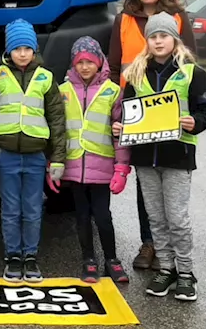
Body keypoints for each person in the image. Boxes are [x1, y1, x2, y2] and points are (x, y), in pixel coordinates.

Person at [107, 0, 196, 272]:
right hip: (135, 109)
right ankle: (150, 243)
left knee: (170, 185)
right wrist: (117, 103)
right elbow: (115, 66)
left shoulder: (178, 17)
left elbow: (189, 63)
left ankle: (173, 254)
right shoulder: (123, 19)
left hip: (170, 114)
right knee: (146, 181)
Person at [118, 12, 206, 302]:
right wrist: (121, 125)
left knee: (177, 218)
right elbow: (127, 110)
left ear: (175, 39)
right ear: (147, 41)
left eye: (164, 36)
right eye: (153, 36)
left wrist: (194, 121)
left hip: (178, 155)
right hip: (146, 157)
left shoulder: (192, 73)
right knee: (156, 218)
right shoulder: (135, 73)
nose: (158, 41)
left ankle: (186, 273)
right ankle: (166, 268)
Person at [0, 19, 67, 284]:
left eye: (28, 48)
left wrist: (58, 159)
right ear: (9, 51)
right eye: (18, 48)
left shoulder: (46, 78)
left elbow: (57, 121)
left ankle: (31, 257)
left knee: (33, 208)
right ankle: (13, 257)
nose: (23, 53)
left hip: (36, 156)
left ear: (35, 50)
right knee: (11, 209)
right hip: (7, 156)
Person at [58, 36, 130, 284]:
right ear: (73, 64)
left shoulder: (112, 91)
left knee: (102, 216)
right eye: (80, 62)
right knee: (81, 216)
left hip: (102, 167)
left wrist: (121, 168)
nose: (85, 66)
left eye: (90, 61)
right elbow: (57, 132)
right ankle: (88, 259)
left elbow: (120, 133)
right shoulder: (63, 91)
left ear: (100, 62)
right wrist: (53, 164)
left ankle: (112, 259)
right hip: (74, 166)